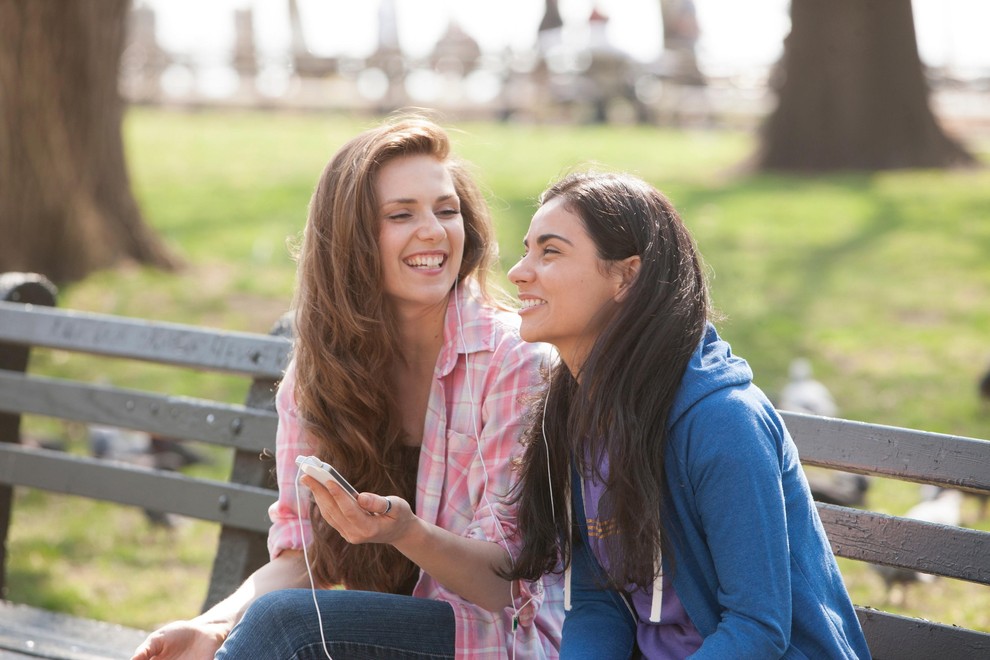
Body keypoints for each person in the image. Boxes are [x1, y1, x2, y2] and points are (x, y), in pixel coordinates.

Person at [132, 115, 563, 660]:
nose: (433, 230)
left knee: (288, 627)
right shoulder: (320, 376)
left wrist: (407, 534)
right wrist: (214, 626)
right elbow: (303, 559)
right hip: (370, 645)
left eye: (446, 210)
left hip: (496, 641)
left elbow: (505, 584)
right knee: (278, 625)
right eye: (401, 214)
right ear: (352, 241)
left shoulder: (514, 363)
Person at [503, 170, 871, 659]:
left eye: (550, 251)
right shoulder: (578, 411)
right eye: (527, 249)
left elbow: (757, 629)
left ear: (625, 276)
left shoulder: (723, 421)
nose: (518, 271)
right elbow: (598, 600)